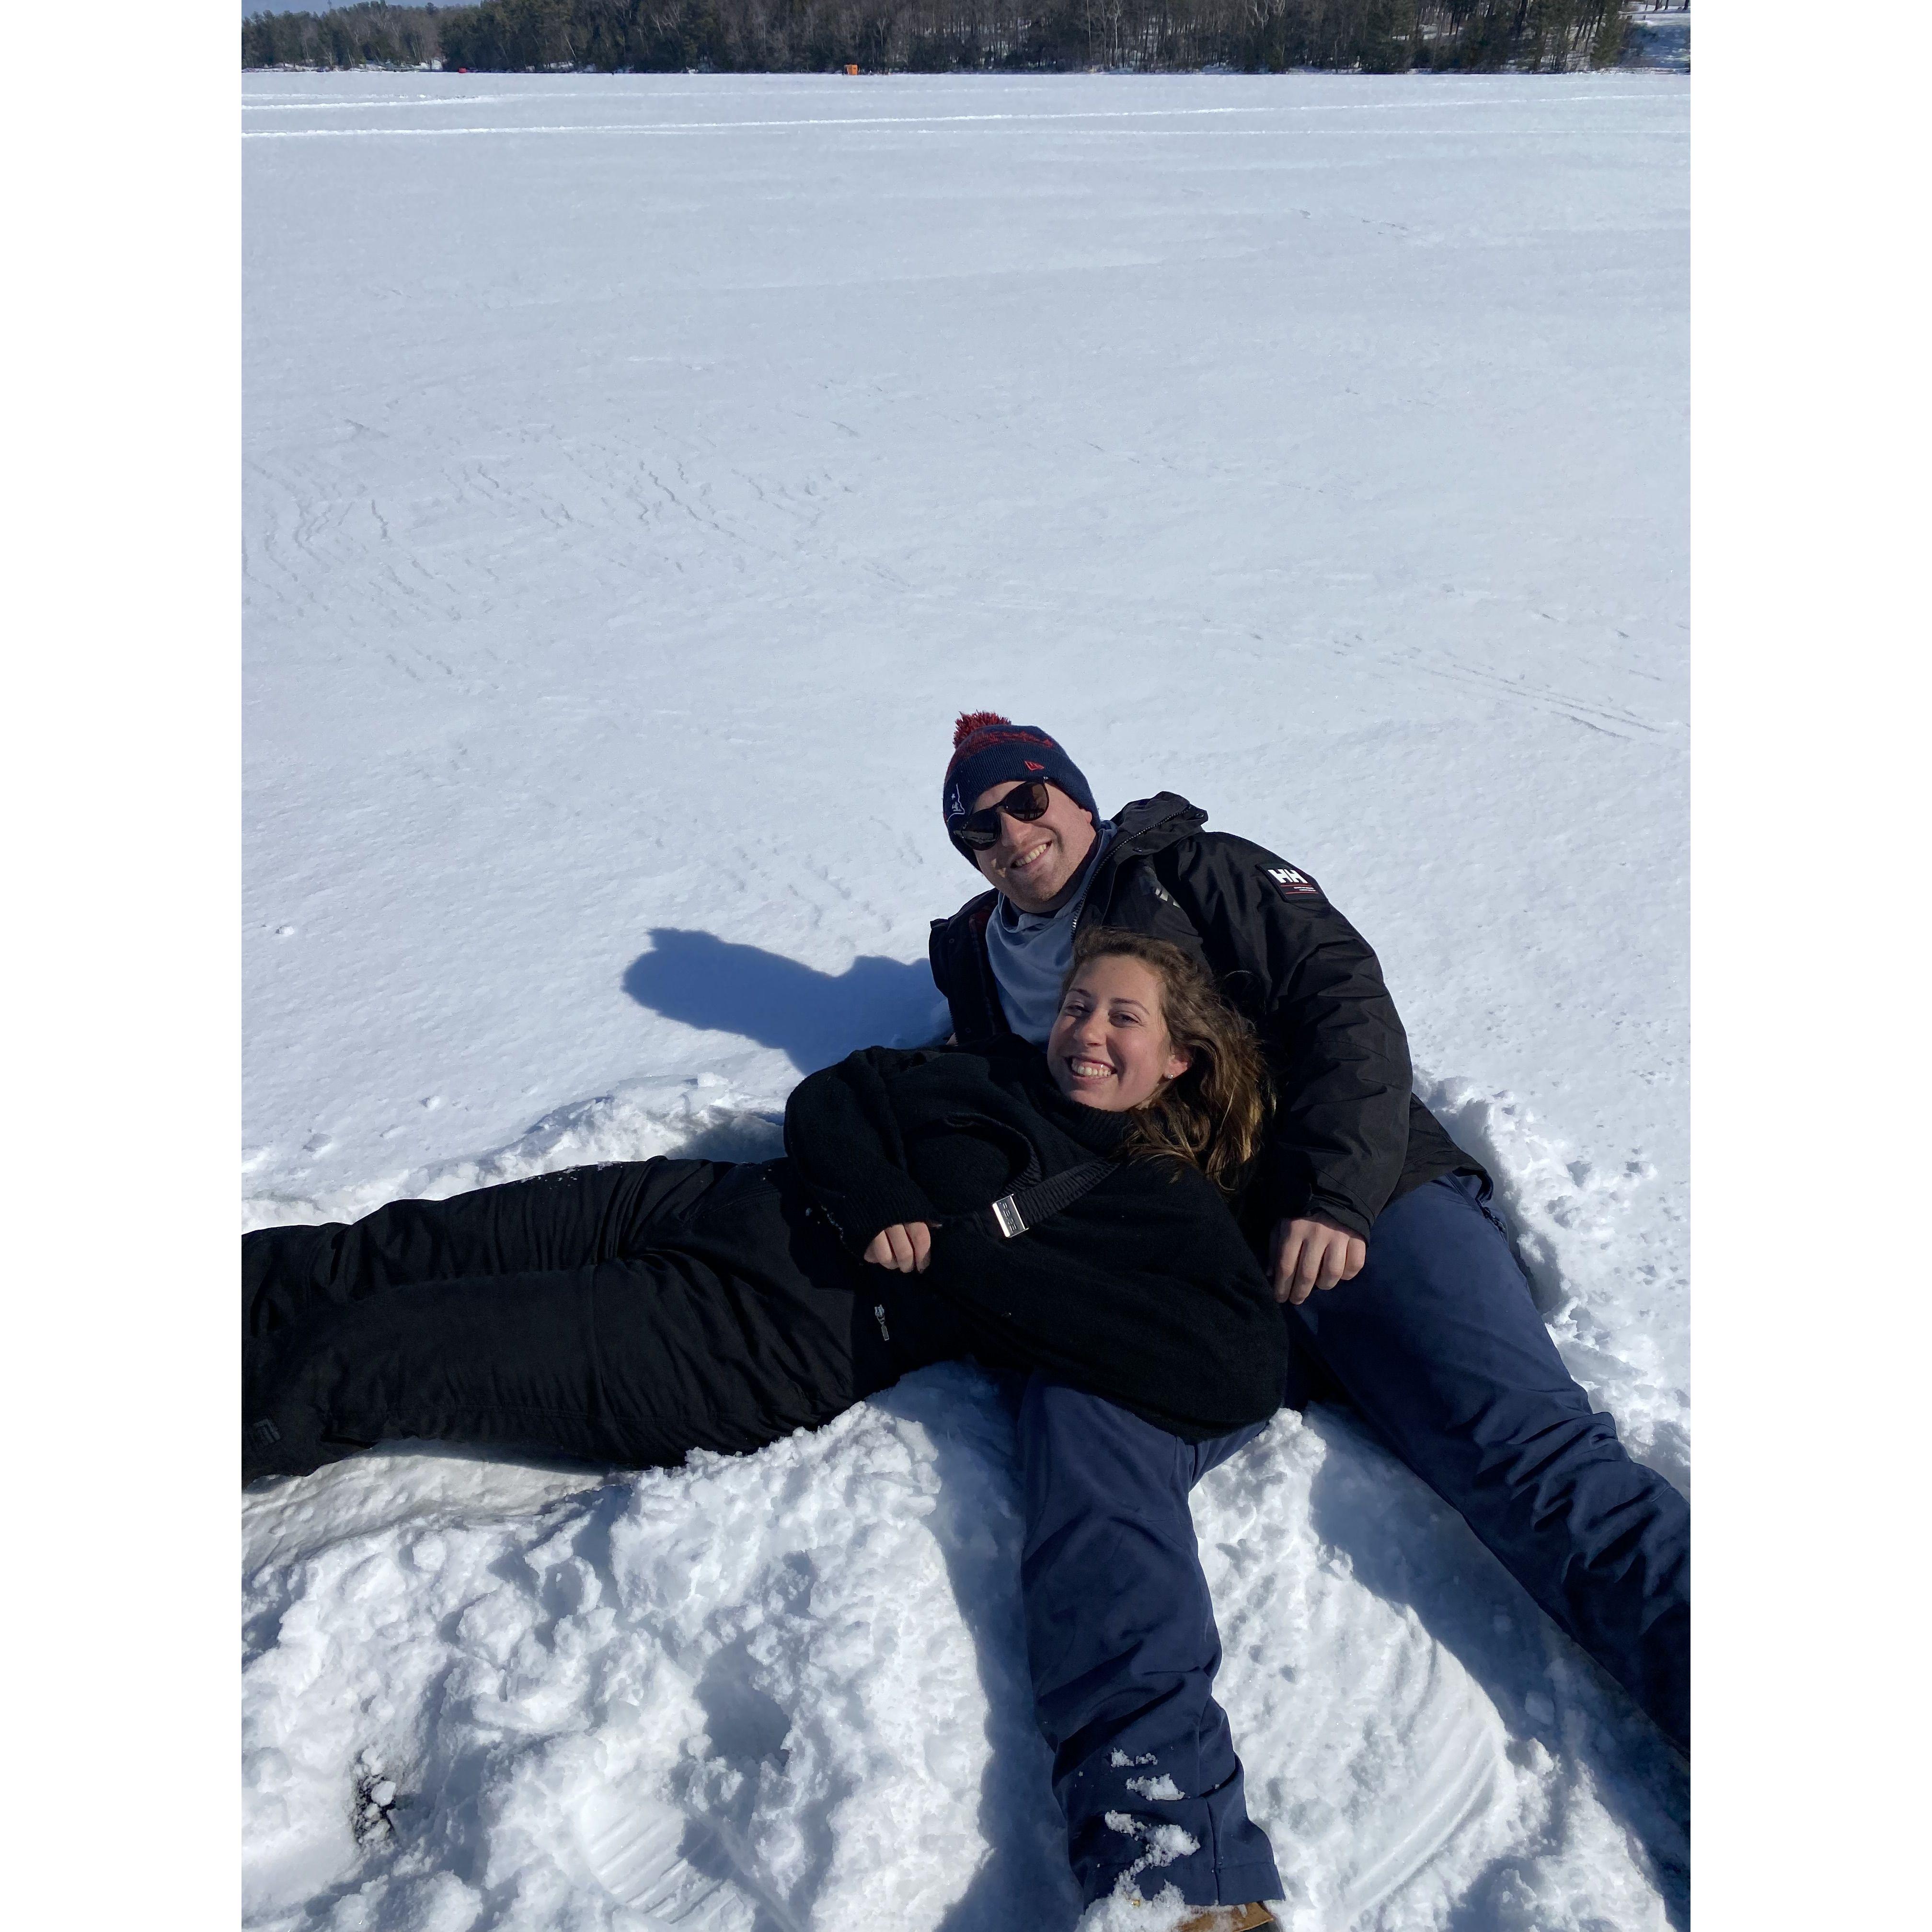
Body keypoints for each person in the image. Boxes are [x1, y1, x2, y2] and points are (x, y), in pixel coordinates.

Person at [242, 935, 1293, 1926]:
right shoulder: (995, 1072)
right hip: (706, 1204)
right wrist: (876, 1193)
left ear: (1177, 1062)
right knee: (383, 1253)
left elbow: (1243, 1365)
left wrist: (984, 1279)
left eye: (1124, 1019)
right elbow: (841, 1094)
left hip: (747, 1334)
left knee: (372, 1354)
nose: (1088, 1032)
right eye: (1077, 1006)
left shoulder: (1161, 1203)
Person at [926, 713, 1690, 1920]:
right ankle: (1174, 1871)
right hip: (1198, 1267)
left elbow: (1347, 1004)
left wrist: (1334, 1191)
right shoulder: (978, 962)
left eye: (1027, 803)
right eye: (979, 827)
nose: (1011, 837)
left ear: (1076, 796)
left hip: (1369, 1204)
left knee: (1527, 1457)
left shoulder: (1199, 869)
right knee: (1086, 1440)